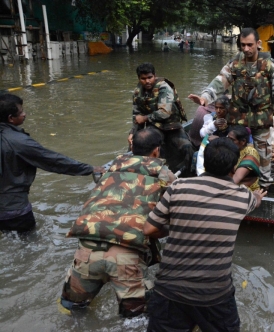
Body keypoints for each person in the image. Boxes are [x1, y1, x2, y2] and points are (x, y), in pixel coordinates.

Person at [143, 137, 267, 332]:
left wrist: (176, 227)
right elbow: (254, 201)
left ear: (205, 162)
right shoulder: (243, 197)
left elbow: (149, 229)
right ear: (233, 168)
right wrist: (258, 196)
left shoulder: (178, 186)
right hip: (214, 296)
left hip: (169, 290)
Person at [60, 128, 176, 318]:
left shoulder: (109, 170)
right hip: (126, 260)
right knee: (137, 319)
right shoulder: (164, 175)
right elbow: (175, 213)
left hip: (86, 253)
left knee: (71, 309)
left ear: (132, 146)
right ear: (156, 151)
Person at [188, 27, 274, 187]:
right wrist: (205, 97)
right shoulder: (235, 63)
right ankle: (231, 184)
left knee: (264, 155)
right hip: (238, 119)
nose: (246, 49)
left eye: (250, 45)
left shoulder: (269, 65)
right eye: (243, 45)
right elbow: (220, 81)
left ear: (258, 43)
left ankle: (264, 186)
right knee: (234, 152)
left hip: (261, 119)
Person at [0, 94, 103, 233]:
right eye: (21, 112)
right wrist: (90, 168)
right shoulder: (20, 142)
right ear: (11, 118)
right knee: (28, 244)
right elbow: (53, 160)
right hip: (15, 210)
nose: (25, 114)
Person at [127, 63, 194, 176]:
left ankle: (188, 175)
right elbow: (137, 116)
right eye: (143, 78)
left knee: (187, 147)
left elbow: (165, 113)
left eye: (150, 77)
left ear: (155, 75)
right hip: (154, 126)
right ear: (139, 78)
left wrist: (145, 118)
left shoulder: (164, 87)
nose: (147, 81)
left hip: (171, 125)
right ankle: (142, 175)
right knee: (138, 144)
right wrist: (132, 133)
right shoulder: (137, 93)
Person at [228, 125, 261, 191]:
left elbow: (236, 179)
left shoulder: (251, 153)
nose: (228, 142)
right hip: (231, 187)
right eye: (228, 138)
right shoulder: (231, 150)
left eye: (232, 140)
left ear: (243, 141)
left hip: (246, 192)